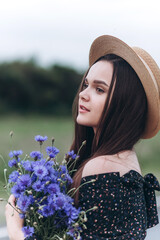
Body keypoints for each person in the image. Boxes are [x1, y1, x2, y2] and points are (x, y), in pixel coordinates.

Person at [5, 35, 160, 239]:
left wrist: (15, 228)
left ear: (124, 104)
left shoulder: (104, 167)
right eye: (86, 85)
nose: (83, 94)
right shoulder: (120, 159)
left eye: (99, 89)